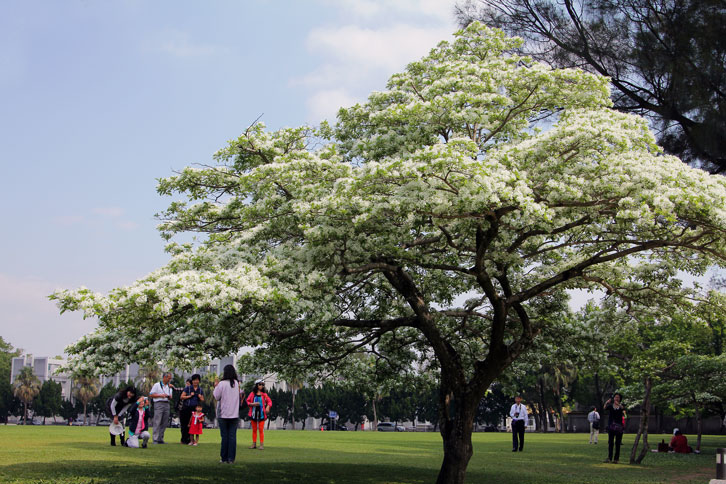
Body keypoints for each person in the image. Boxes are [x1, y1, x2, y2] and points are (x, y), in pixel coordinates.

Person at [213, 365, 242, 464]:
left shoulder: (222, 384)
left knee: (224, 437)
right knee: (232, 437)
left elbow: (217, 397)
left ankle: (224, 458)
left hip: (223, 414)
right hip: (234, 414)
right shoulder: (236, 384)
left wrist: (215, 387)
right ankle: (231, 458)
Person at [246, 379, 273, 450]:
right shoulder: (252, 394)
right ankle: (254, 444)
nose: (261, 386)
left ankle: (261, 445)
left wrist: (268, 406)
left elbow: (269, 402)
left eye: (263, 385)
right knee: (254, 430)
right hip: (253, 414)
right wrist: (252, 404)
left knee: (261, 429)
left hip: (261, 414)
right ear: (256, 385)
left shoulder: (264, 395)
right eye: (260, 384)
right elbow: (247, 401)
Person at [149, 372, 174, 444]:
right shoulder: (157, 385)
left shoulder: (169, 386)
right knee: (157, 421)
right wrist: (160, 395)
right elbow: (151, 394)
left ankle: (160, 438)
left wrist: (169, 396)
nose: (169, 380)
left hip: (167, 403)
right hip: (159, 403)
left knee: (164, 421)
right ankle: (155, 439)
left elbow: (170, 396)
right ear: (164, 377)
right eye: (168, 378)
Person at [180, 374, 205, 445]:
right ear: (192, 381)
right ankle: (184, 439)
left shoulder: (200, 390)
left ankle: (191, 440)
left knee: (193, 425)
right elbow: (182, 397)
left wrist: (200, 397)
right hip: (186, 408)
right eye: (194, 380)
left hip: (195, 409)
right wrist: (189, 396)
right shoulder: (188, 388)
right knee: (185, 424)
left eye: (197, 380)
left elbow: (203, 399)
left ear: (199, 381)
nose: (195, 382)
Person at [603, 393, 626, 463]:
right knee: (610, 442)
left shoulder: (621, 406)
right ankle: (609, 458)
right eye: (615, 397)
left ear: (620, 399)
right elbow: (605, 408)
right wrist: (607, 402)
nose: (616, 398)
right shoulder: (611, 406)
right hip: (611, 426)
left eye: (618, 397)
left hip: (619, 427)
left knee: (618, 443)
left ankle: (616, 459)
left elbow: (623, 410)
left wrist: (618, 404)